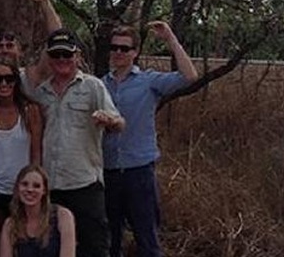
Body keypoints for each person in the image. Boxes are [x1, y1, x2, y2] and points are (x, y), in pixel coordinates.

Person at [102, 22, 198, 257]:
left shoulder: (148, 81)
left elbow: (189, 76)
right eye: (114, 48)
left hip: (139, 172)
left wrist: (170, 39)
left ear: (135, 52)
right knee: (110, 241)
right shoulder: (99, 85)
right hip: (107, 172)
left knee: (147, 239)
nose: (118, 53)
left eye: (124, 49)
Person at [31, 29, 124, 257]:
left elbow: (119, 122)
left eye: (66, 54)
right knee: (52, 247)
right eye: (56, 55)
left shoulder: (93, 87)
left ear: (77, 56)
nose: (62, 60)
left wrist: (110, 121)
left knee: (93, 247)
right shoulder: (40, 92)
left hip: (84, 184)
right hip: (50, 186)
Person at [0, 59, 43, 257]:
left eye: (9, 78)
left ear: (16, 81)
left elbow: (36, 153)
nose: (3, 84)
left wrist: (36, 188)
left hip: (21, 189)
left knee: (23, 243)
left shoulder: (30, 110)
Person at [0, 0, 62, 93]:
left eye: (10, 45)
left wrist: (45, 3)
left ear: (20, 50)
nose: (5, 50)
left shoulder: (30, 77)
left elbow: (57, 37)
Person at [0, 165, 75, 257]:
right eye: (25, 184)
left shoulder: (63, 216)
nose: (30, 190)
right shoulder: (10, 224)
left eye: (36, 186)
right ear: (17, 188)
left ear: (44, 191)